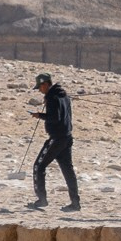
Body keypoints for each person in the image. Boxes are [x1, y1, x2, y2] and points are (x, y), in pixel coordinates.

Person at [28, 72, 80, 211]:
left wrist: (39, 115)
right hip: (67, 137)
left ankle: (41, 200)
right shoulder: (64, 95)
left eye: (40, 87)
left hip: (57, 138)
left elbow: (55, 117)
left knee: (39, 166)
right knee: (68, 170)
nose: (40, 90)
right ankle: (75, 203)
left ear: (46, 84)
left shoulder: (52, 97)